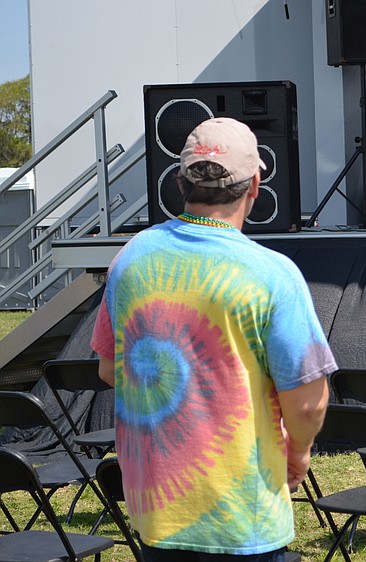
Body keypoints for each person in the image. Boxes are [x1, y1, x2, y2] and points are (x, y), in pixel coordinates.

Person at [90, 117, 336, 561]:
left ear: (180, 182)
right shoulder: (272, 274)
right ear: (255, 185)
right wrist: (298, 452)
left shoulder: (129, 258)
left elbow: (110, 370)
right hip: (242, 517)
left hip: (157, 512)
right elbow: (308, 403)